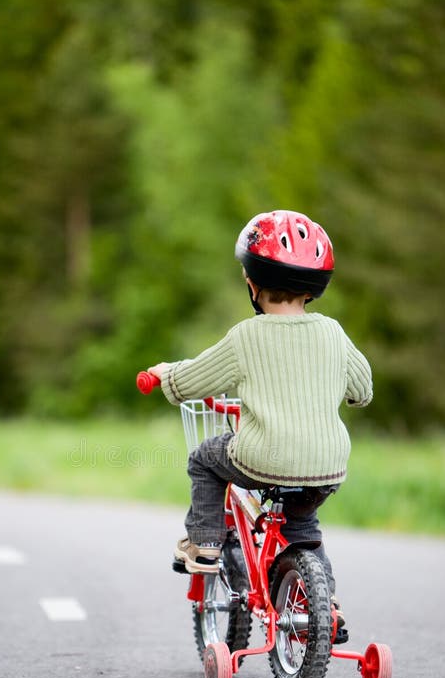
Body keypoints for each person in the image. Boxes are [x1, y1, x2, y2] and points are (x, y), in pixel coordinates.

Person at [148, 209, 372, 640]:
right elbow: (363, 390)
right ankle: (328, 608)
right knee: (302, 528)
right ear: (314, 288)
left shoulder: (246, 337)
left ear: (251, 283)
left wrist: (165, 375)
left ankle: (206, 545)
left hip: (261, 457)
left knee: (204, 460)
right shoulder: (333, 333)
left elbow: (192, 380)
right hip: (326, 465)